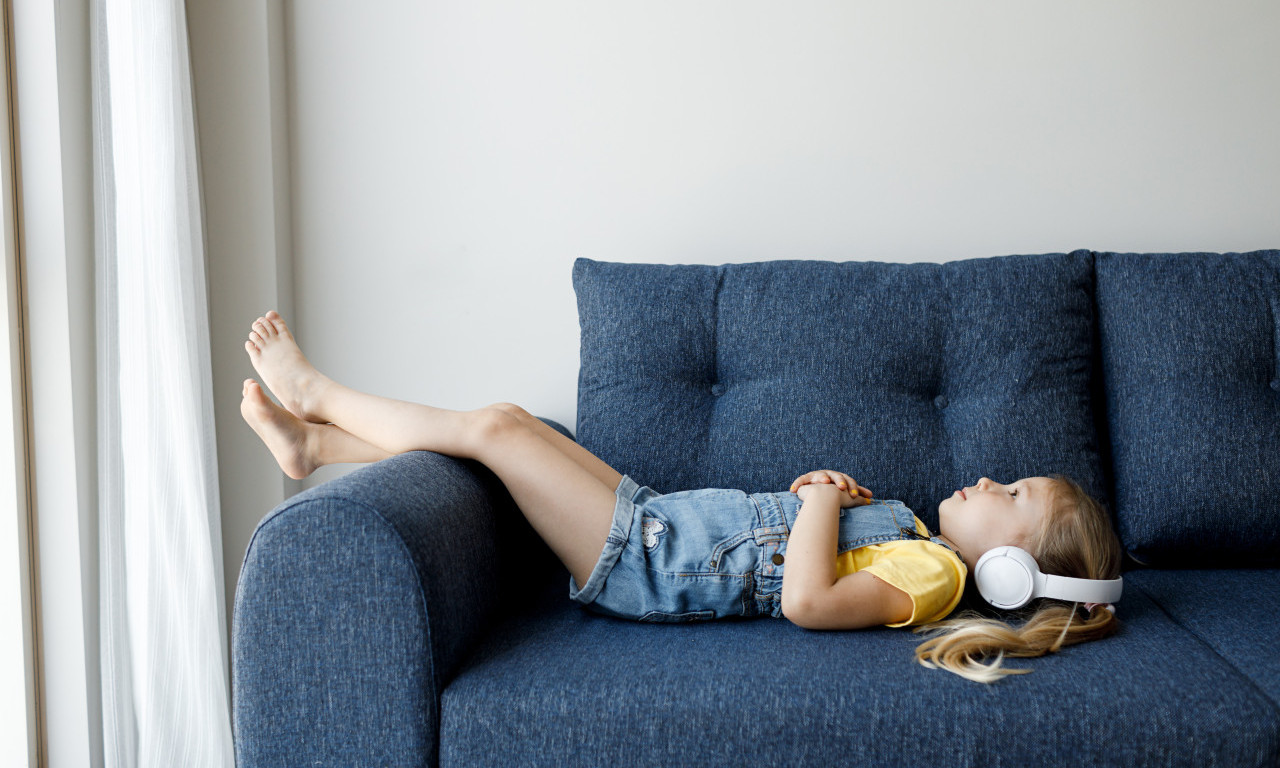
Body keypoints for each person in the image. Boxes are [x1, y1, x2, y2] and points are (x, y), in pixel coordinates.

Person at [239, 310, 1123, 683]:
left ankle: (320, 396)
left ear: (1008, 572)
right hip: (660, 521)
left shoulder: (936, 575)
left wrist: (820, 500)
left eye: (1012, 492)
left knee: (502, 431)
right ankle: (318, 446)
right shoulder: (918, 540)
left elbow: (809, 602)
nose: (988, 478)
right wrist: (828, 502)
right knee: (513, 432)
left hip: (654, 562)